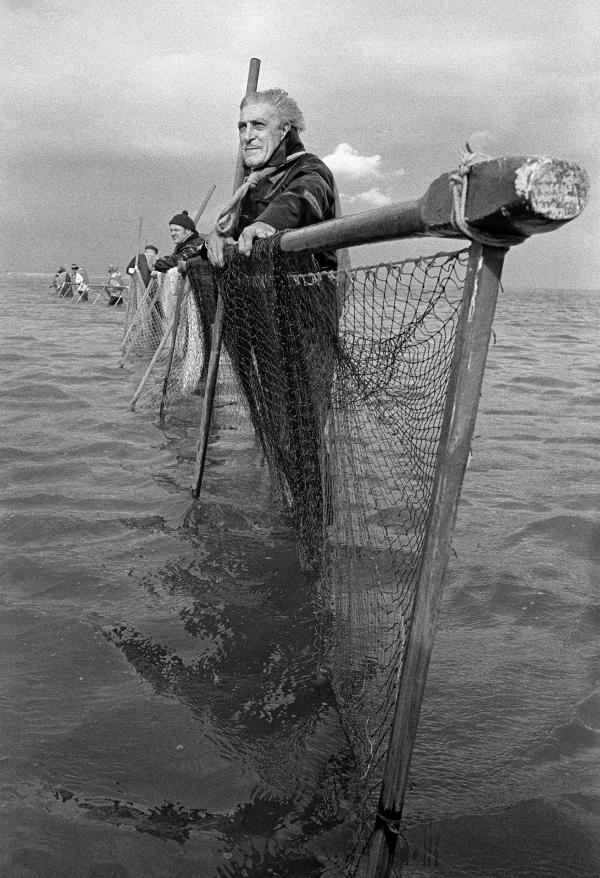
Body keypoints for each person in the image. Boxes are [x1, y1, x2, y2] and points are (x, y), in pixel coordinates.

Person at [204, 88, 337, 270]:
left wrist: (268, 222)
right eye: (243, 127)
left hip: (303, 292)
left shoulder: (310, 169)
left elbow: (305, 195)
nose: (247, 137)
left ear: (284, 130)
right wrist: (214, 239)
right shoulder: (252, 183)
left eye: (258, 125)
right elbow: (230, 239)